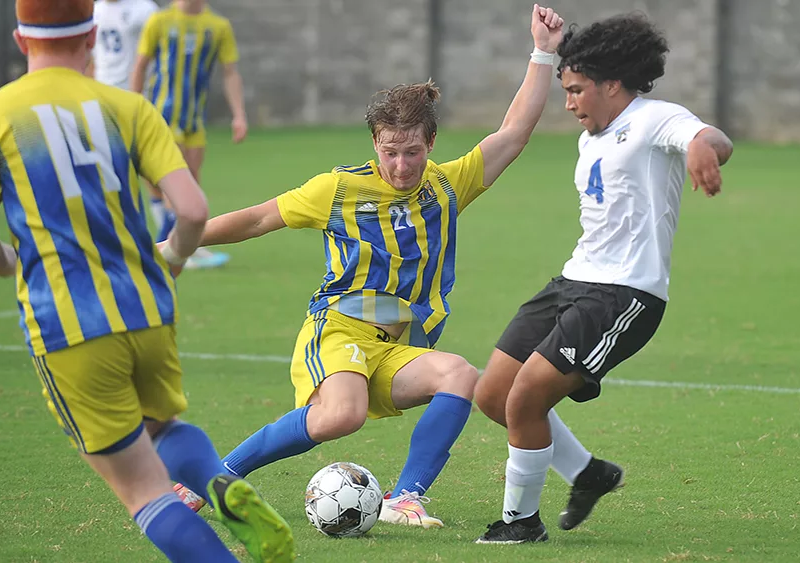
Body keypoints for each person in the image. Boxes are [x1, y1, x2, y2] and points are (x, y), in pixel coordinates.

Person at [170, 4, 566, 529]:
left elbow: (513, 133)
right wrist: (170, 249)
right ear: (374, 144)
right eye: (389, 151)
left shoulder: (447, 186)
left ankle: (405, 499)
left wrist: (542, 51)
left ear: (431, 145)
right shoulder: (337, 189)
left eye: (412, 152)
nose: (401, 165)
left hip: (397, 345)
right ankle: (216, 477)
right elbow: (257, 218)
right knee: (343, 415)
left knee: (459, 375)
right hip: (339, 328)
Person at [0, 1, 293, 560]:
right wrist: (177, 262)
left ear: (21, 40)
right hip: (147, 307)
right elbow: (190, 209)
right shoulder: (128, 107)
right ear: (91, 34)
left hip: (70, 322)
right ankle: (221, 483)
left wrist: (17, 269)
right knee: (160, 428)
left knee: (140, 488)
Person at [472, 13, 734, 544]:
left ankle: (520, 524)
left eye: (577, 91)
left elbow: (708, 135)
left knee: (525, 400)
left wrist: (706, 149)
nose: (568, 103)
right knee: (493, 393)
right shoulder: (590, 138)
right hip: (573, 281)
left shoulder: (654, 118)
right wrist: (545, 49)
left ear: (612, 85)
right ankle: (588, 473)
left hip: (624, 295)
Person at [131, 0, 246, 269]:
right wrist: (133, 111)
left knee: (189, 185)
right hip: (162, 118)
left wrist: (239, 114)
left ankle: (178, 247)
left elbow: (230, 73)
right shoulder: (159, 21)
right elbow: (140, 66)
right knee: (174, 188)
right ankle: (175, 251)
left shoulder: (218, 26)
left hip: (194, 121)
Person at [88, 0, 160, 90]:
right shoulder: (93, 10)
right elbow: (90, 57)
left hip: (135, 90)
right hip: (102, 88)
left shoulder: (146, 9)